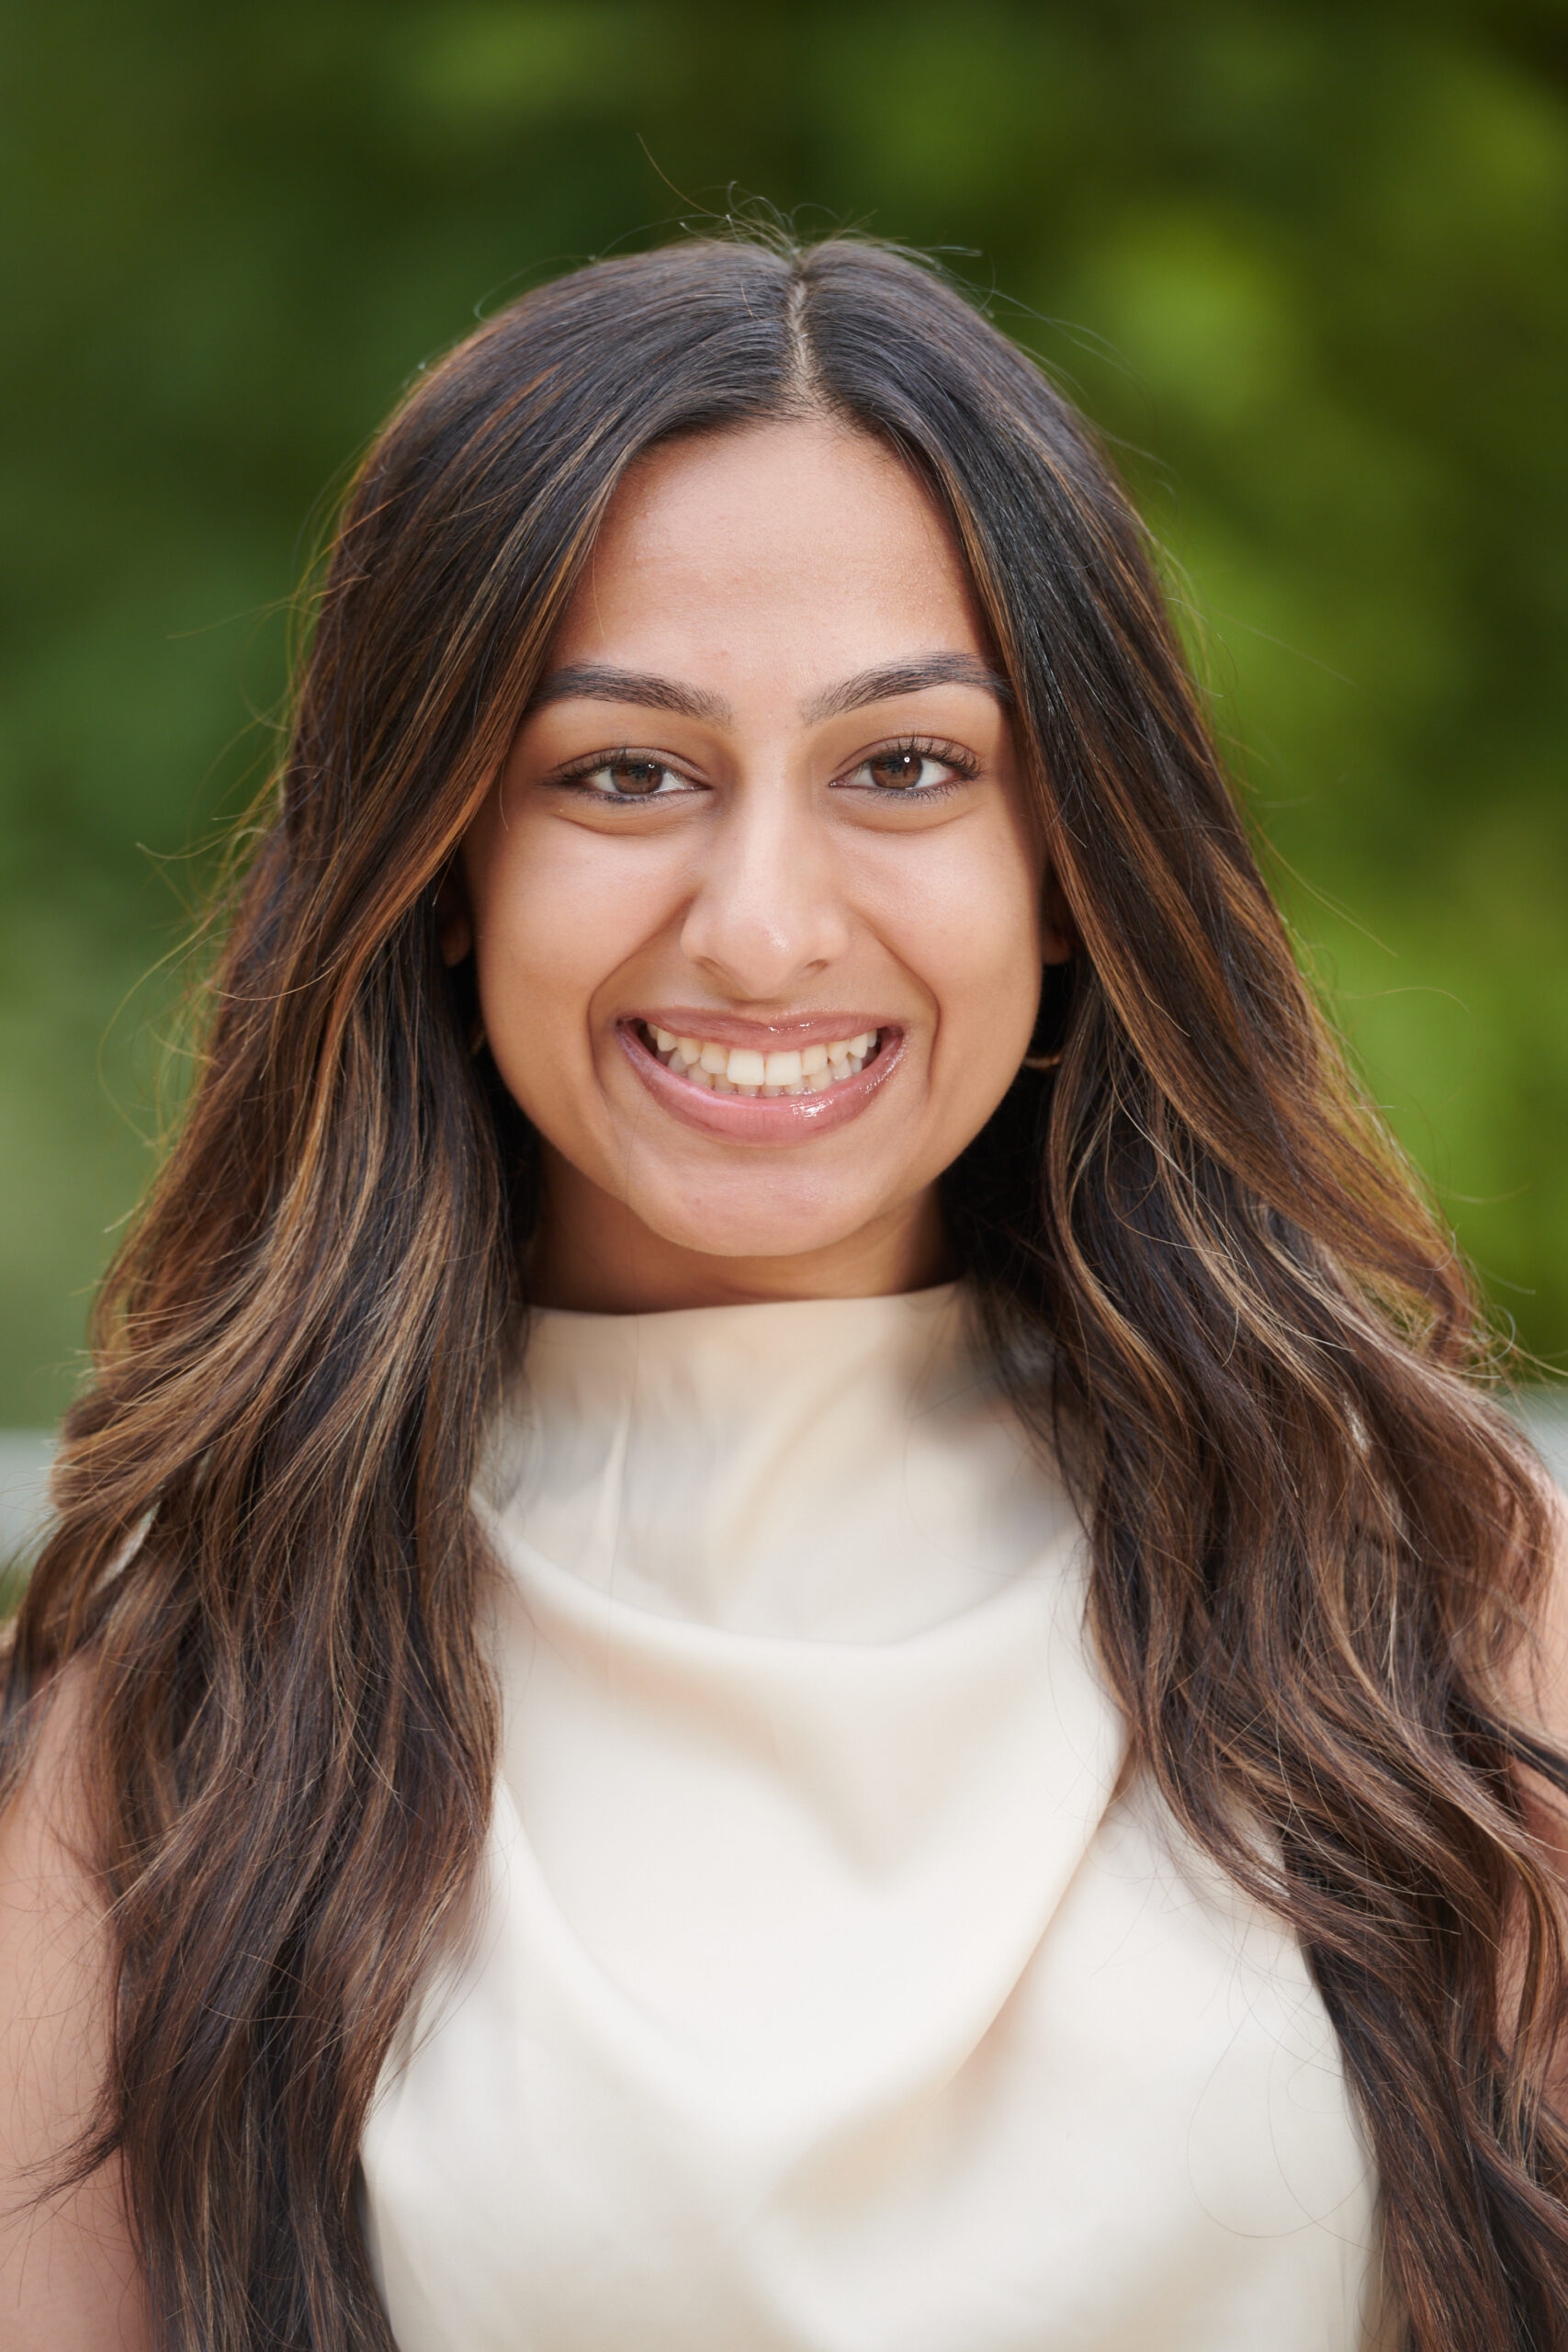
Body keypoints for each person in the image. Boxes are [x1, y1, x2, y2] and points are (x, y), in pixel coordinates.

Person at [2, 232, 1566, 2352]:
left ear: (1069, 858)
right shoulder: (174, 1692)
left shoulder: (1438, 1584)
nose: (759, 925)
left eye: (904, 766)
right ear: (444, 863)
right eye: (621, 772)